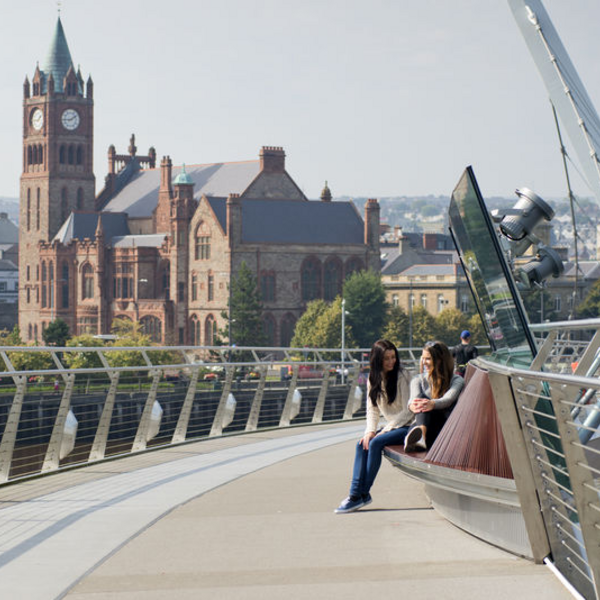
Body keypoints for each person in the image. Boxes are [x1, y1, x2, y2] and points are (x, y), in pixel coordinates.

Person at [335, 339, 413, 514]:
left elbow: (409, 410)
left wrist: (383, 431)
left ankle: (362, 494)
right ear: (378, 360)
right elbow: (372, 410)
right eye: (386, 358)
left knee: (376, 443)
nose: (391, 361)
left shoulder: (404, 375)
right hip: (393, 427)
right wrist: (370, 431)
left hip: (409, 426)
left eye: (393, 357)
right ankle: (355, 494)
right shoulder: (373, 378)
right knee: (362, 443)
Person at [404, 341, 464, 452]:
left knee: (424, 402)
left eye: (428, 359)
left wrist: (432, 404)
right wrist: (411, 405)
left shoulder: (456, 380)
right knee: (421, 399)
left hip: (443, 427)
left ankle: (420, 437)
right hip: (425, 424)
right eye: (423, 358)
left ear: (440, 360)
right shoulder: (418, 379)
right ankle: (420, 435)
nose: (424, 362)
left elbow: (448, 399)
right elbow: (412, 400)